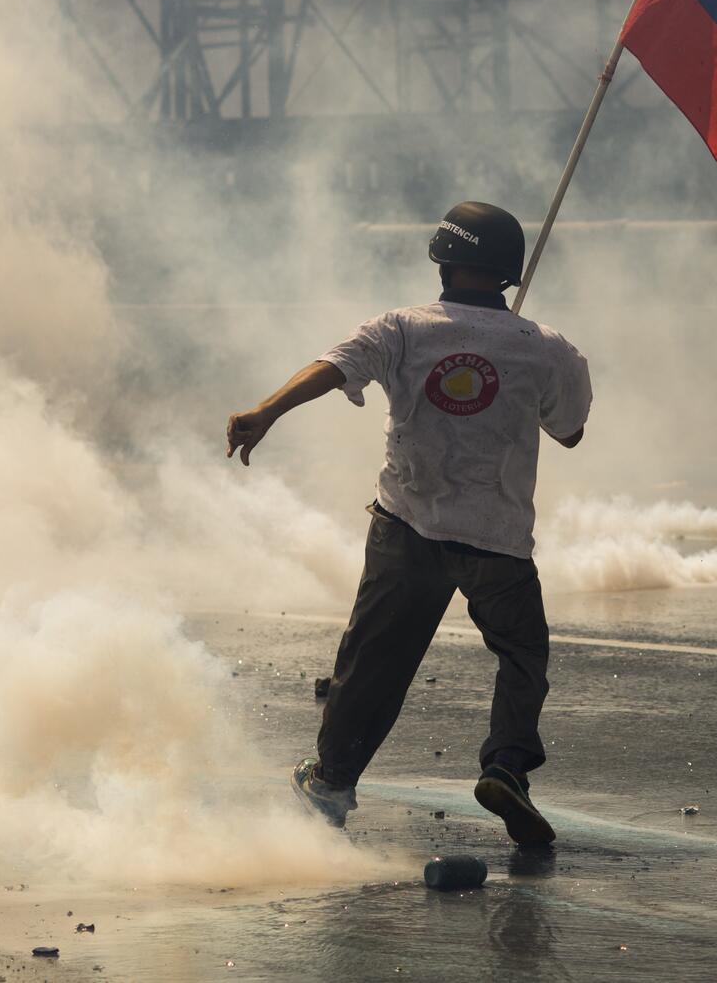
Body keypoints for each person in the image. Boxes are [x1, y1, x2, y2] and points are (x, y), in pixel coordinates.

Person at [224, 201, 592, 846]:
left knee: (374, 662)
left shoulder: (402, 328)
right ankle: (506, 765)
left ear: (442, 260)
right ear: (509, 273)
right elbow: (570, 433)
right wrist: (516, 379)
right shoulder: (549, 348)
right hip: (498, 541)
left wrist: (266, 410)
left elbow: (333, 365)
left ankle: (332, 782)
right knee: (522, 657)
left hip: (407, 528)